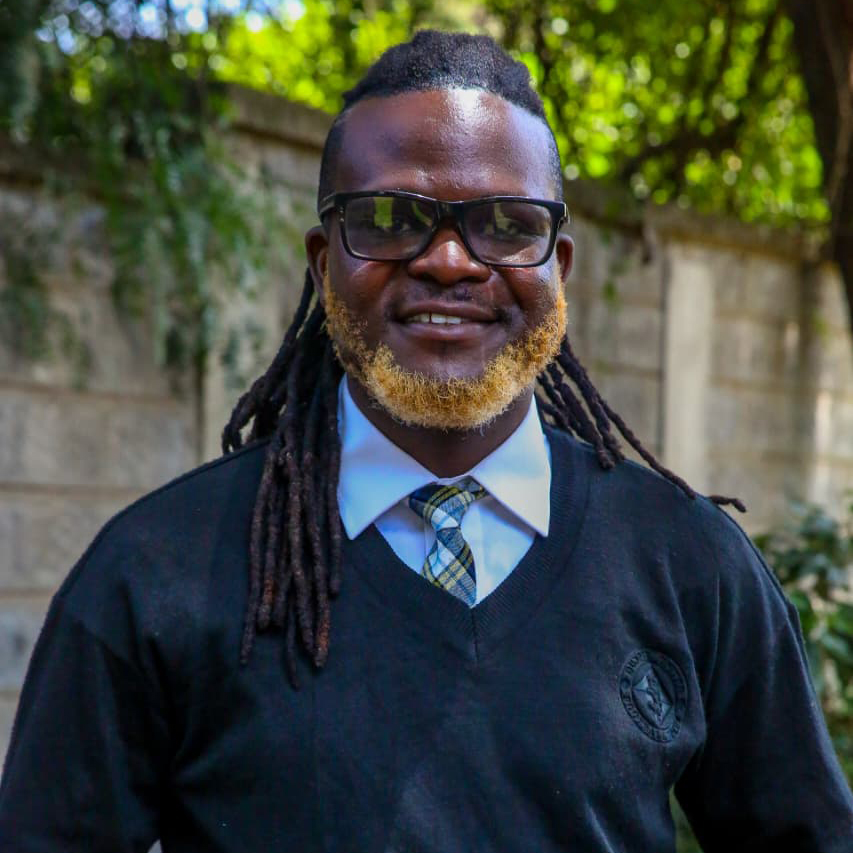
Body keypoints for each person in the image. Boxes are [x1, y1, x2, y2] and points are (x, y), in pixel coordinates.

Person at [0, 29, 851, 853]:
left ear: (558, 268)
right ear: (322, 263)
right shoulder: (153, 573)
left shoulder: (689, 563)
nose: (448, 260)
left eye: (506, 223)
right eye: (388, 217)